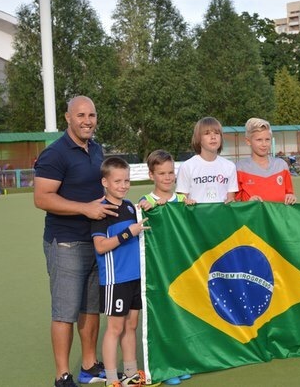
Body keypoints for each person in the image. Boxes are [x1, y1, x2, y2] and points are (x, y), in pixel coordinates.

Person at [34, 96, 119, 387]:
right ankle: (62, 375)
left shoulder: (96, 149)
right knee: (64, 312)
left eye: (91, 115)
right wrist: (85, 209)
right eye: (81, 115)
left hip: (96, 241)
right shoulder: (55, 154)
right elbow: (42, 198)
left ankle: (89, 366)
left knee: (90, 308)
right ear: (68, 118)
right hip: (66, 243)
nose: (87, 121)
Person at [91, 157, 152, 387]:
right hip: (116, 280)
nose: (123, 185)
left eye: (126, 180)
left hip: (136, 278)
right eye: (117, 181)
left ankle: (130, 374)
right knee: (115, 328)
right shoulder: (101, 211)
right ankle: (112, 379)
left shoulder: (129, 206)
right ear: (105, 182)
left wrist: (148, 205)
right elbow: (100, 246)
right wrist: (128, 233)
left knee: (131, 326)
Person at [137, 150, 191, 386]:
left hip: (181, 269)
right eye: (162, 173)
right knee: (163, 319)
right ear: (152, 175)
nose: (167, 177)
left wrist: (191, 207)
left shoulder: (182, 199)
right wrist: (147, 207)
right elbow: (141, 215)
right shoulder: (147, 202)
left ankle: (180, 362)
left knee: (182, 317)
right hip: (159, 272)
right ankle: (165, 368)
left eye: (170, 172)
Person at [176, 116, 238, 204]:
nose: (213, 137)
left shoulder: (230, 166)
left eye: (217, 133)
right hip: (196, 213)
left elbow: (230, 200)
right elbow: (181, 202)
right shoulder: (187, 167)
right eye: (207, 133)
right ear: (198, 138)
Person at [235, 117, 296, 204]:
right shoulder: (240, 168)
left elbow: (289, 193)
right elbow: (235, 202)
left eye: (267, 139)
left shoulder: (281, 165)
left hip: (277, 213)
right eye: (259, 140)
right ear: (248, 141)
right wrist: (248, 203)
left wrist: (290, 196)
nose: (264, 144)